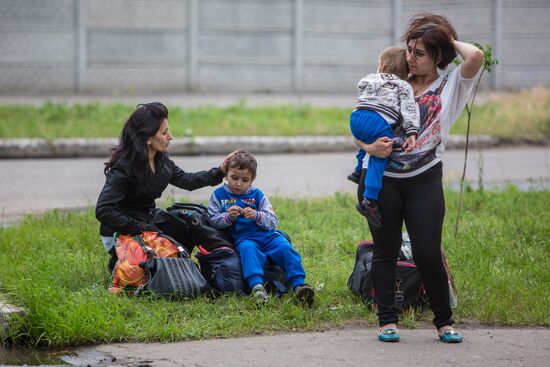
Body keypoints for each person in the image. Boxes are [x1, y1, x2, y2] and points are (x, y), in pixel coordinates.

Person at [355, 12, 483, 343]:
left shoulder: (451, 85)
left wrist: (441, 36)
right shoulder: (392, 81)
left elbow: (476, 56)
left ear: (438, 56)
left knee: (427, 252)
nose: (410, 57)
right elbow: (359, 124)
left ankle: (444, 322)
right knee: (386, 251)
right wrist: (367, 145)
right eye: (409, 49)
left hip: (424, 179)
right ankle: (387, 321)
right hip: (382, 179)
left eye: (419, 52)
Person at [95, 102, 236, 270]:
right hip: (119, 232)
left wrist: (220, 171)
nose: (170, 137)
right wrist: (141, 229)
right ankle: (119, 262)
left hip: (147, 220)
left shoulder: (162, 161)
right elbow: (103, 210)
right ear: (148, 138)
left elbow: (187, 180)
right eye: (164, 132)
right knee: (151, 257)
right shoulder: (123, 167)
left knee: (187, 226)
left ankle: (182, 266)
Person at [207, 150, 315, 305]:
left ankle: (299, 285)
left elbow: (272, 220)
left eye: (245, 180)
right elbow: (212, 220)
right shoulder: (218, 195)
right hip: (244, 238)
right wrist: (228, 217)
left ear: (252, 179)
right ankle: (257, 287)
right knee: (248, 251)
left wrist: (257, 215)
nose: (239, 183)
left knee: (285, 248)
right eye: (234, 178)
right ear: (226, 174)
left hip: (268, 236)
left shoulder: (257, 194)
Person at [349, 46, 421, 228]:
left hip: (356, 116)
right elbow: (409, 109)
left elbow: (361, 88)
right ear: (406, 73)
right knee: (381, 153)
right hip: (377, 120)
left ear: (381, 65)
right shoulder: (404, 85)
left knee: (367, 140)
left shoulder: (369, 79)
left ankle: (358, 170)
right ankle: (370, 200)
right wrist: (412, 131)